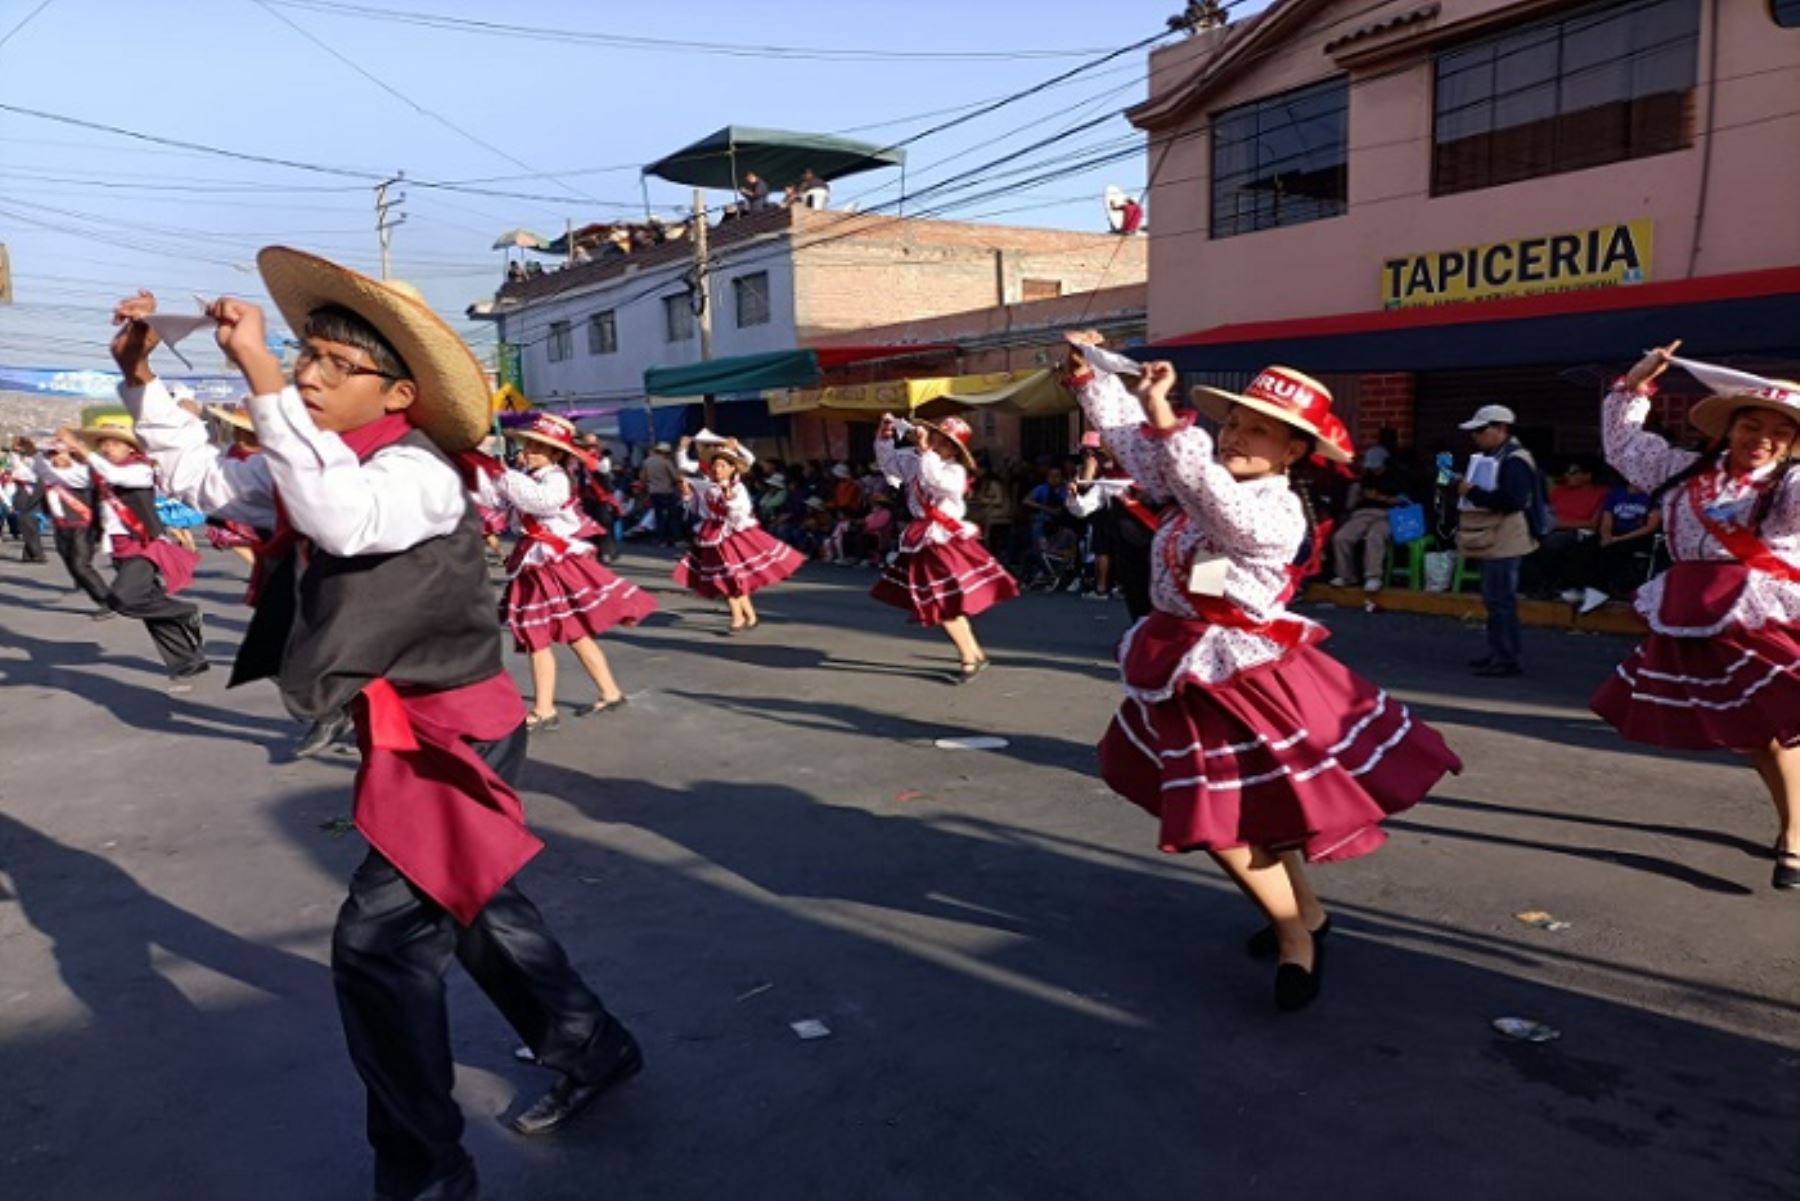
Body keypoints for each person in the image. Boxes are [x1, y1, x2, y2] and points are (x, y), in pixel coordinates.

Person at [110, 252, 642, 1200]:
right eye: (301, 356)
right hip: (405, 723)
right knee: (469, 906)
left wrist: (263, 381)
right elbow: (215, 483)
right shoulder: (321, 455)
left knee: (379, 947)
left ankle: (425, 1170)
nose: (306, 373)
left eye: (327, 363)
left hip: (452, 730)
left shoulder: (418, 472)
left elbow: (343, 521)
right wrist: (144, 380)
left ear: (398, 391)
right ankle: (589, 1042)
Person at [1065, 332, 1461, 1011]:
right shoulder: (1201, 479)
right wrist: (1091, 380)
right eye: (1234, 424)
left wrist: (1169, 420)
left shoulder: (1274, 510)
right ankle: (1307, 917)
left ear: (1295, 451)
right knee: (1256, 812)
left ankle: (1292, 937)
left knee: (1225, 822)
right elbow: (1142, 449)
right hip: (1182, 669)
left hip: (1239, 678)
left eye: (1258, 431)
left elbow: (1215, 500)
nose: (1235, 437)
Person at [1590, 343, 1800, 892]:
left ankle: (1796, 835)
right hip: (1696, 612)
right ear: (1728, 429)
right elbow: (1623, 445)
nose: (1763, 440)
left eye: (1779, 433)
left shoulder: (1788, 486)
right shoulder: (1683, 471)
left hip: (1760, 615)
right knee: (1755, 736)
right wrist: (1634, 385)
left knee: (1776, 729)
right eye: (1751, 426)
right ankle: (1795, 827)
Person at [478, 412, 655, 732]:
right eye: (528, 445)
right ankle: (608, 691)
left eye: (536, 447)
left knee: (541, 634)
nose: (528, 451)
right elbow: (498, 504)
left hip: (552, 563)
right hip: (537, 561)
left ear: (556, 453)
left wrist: (504, 476)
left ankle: (546, 709)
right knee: (566, 632)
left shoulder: (555, 478)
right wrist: (484, 471)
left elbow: (541, 503)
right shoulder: (526, 476)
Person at [58, 415, 209, 687]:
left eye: (115, 444)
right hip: (121, 549)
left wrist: (83, 449)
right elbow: (66, 477)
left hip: (144, 547)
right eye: (104, 444)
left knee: (123, 599)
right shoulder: (103, 475)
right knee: (149, 605)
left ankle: (185, 611)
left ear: (131, 448)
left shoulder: (139, 470)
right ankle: (187, 660)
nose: (108, 448)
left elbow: (115, 475)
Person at [869, 413, 1019, 681]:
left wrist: (926, 450)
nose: (937, 442)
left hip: (944, 540)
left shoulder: (954, 471)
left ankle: (969, 659)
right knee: (943, 601)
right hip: (923, 539)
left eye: (944, 441)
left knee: (943, 601)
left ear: (955, 450)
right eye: (936, 436)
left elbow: (935, 482)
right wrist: (885, 436)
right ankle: (974, 654)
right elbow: (890, 465)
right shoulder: (919, 459)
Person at [672, 433, 804, 631]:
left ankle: (740, 618)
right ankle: (747, 616)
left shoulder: (738, 487)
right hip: (711, 535)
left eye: (723, 466)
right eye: (715, 465)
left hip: (734, 536)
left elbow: (740, 512)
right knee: (728, 579)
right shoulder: (705, 484)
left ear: (732, 468)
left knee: (732, 578)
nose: (717, 469)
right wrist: (686, 492)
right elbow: (694, 504)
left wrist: (730, 499)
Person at [1456, 403, 1543, 677]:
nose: (1476, 436)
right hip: (1494, 539)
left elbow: (1512, 500)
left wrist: (1473, 493)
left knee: (1501, 602)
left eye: (1482, 430)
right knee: (1494, 601)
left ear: (1501, 428)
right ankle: (1497, 652)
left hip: (1505, 539)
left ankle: (1506, 659)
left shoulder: (1516, 459)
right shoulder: (1497, 456)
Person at [31, 436, 111, 616]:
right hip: (61, 525)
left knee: (80, 564)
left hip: (82, 524)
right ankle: (85, 582)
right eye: (51, 454)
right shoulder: (49, 472)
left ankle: (106, 600)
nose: (54, 458)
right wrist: (37, 453)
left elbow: (63, 477)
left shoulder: (82, 472)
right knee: (69, 560)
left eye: (58, 453)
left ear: (71, 454)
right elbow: (39, 467)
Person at [1329, 446, 1409, 593]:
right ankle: (1345, 575)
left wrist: (1380, 497)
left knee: (1375, 536)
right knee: (1341, 537)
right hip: (1364, 513)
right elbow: (1352, 504)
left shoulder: (1399, 477)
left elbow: (1406, 501)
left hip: (1389, 514)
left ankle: (1373, 576)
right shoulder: (1366, 478)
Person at [1534, 459, 1609, 601]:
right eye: (1567, 472)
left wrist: (1560, 525)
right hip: (1552, 528)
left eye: (1574, 472)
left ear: (1588, 476)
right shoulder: (1559, 492)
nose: (1568, 475)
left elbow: (1593, 524)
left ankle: (1549, 586)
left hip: (1579, 532)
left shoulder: (1602, 493)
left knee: (1552, 543)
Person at [9, 435, 49, 564]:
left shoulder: (38, 464)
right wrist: (14, 450)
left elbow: (40, 467)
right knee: (27, 525)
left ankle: (34, 554)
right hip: (23, 495)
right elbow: (15, 462)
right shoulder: (21, 465)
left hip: (36, 494)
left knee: (30, 525)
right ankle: (32, 554)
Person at [640, 440, 683, 546]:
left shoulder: (647, 462)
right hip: (667, 492)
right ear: (665, 452)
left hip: (654, 492)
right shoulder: (666, 462)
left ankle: (660, 539)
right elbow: (675, 477)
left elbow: (642, 478)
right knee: (672, 516)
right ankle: (674, 539)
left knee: (659, 516)